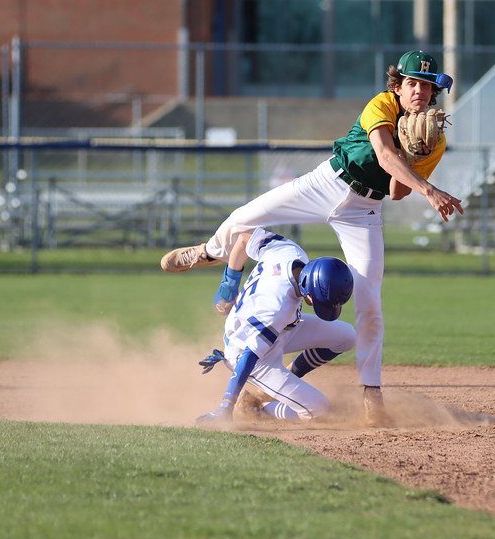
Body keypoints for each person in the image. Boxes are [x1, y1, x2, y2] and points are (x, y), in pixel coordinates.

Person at [163, 50, 463, 426]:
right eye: (412, 83)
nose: (419, 91)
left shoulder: (434, 141)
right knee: (244, 217)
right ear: (398, 86)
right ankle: (209, 251)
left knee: (370, 301)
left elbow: (396, 190)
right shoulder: (381, 105)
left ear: (435, 93)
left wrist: (414, 156)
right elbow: (385, 154)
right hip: (327, 183)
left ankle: (372, 395)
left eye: (427, 85)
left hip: (363, 212)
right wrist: (429, 189)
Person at [195, 228, 355, 427]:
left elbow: (244, 239)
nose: (318, 306)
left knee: (347, 335)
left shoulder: (291, 252)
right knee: (319, 410)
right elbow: (249, 355)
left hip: (281, 329)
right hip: (247, 352)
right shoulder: (276, 307)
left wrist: (229, 283)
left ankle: (290, 375)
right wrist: (226, 405)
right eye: (319, 302)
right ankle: (257, 409)